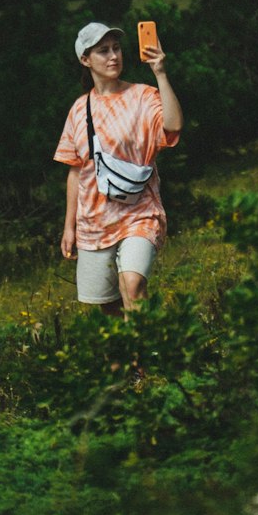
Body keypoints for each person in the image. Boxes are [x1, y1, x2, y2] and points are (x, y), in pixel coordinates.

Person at [55, 21, 183, 312]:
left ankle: (149, 357)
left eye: (116, 48)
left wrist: (160, 73)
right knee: (109, 310)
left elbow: (173, 125)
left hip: (140, 212)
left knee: (133, 286)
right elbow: (76, 170)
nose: (113, 56)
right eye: (103, 51)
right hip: (94, 222)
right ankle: (129, 358)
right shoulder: (78, 109)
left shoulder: (142, 96)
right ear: (85, 60)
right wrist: (69, 227)